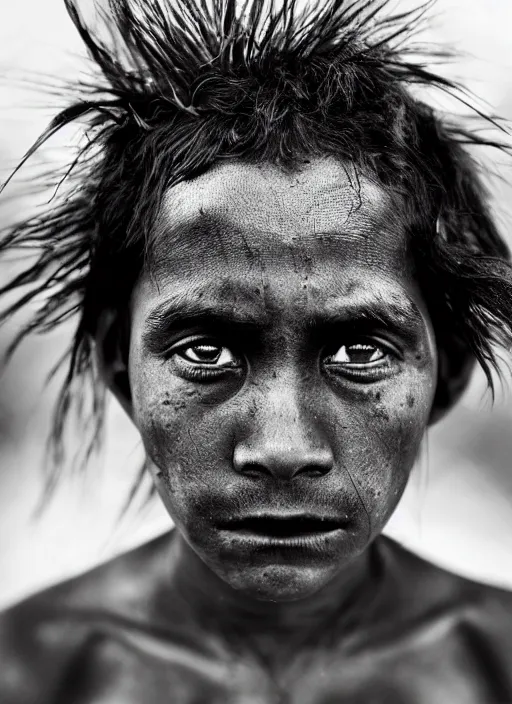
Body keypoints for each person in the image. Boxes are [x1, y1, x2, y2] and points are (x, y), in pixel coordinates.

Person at [1, 0, 512, 701]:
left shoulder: (494, 663)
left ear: (446, 372)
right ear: (122, 370)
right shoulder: (29, 674)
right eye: (207, 351)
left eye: (359, 350)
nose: (281, 446)